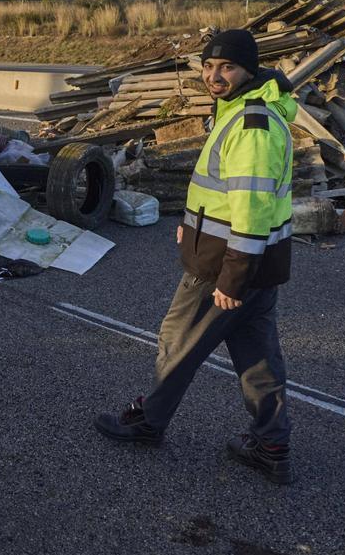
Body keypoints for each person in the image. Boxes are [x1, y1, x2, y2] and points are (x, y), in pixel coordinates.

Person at [94, 29, 298, 485]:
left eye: (226, 67)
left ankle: (149, 423)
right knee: (258, 358)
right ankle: (272, 444)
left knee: (176, 343)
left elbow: (250, 206)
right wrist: (196, 223)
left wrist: (233, 278)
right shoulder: (242, 114)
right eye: (208, 67)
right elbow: (229, 195)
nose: (214, 76)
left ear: (249, 69)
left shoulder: (251, 126)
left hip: (227, 266)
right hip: (260, 264)